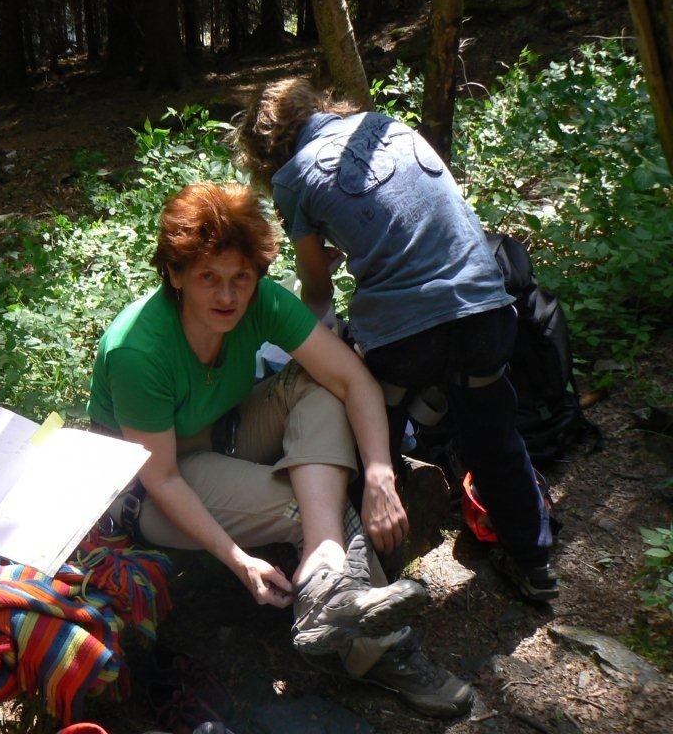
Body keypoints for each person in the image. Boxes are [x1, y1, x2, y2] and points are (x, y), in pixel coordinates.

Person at [87, 182, 473, 717]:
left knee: (314, 384)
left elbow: (351, 379)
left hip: (227, 434)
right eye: (208, 278)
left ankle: (324, 587)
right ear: (175, 276)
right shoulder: (140, 349)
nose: (227, 296)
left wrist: (381, 472)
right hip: (151, 488)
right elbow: (163, 476)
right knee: (319, 511)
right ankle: (381, 649)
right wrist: (240, 560)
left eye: (239, 278)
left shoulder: (259, 302)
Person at [236, 77, 559, 603]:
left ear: (268, 150)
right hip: (487, 310)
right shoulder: (392, 127)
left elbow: (317, 290)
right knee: (494, 432)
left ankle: (367, 575)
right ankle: (535, 563)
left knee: (365, 432)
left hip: (406, 338)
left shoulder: (295, 176)